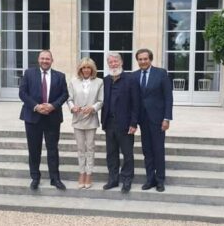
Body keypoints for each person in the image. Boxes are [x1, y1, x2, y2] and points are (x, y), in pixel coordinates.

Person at [19, 50, 68, 191]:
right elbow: (22, 93)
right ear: (38, 60)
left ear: (52, 60)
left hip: (52, 117)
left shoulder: (60, 76)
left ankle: (55, 179)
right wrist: (36, 106)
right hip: (33, 117)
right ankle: (35, 177)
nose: (45, 61)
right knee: (34, 150)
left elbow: (64, 94)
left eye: (48, 59)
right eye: (42, 58)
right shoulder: (29, 74)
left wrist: (53, 106)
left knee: (53, 150)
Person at [134, 48, 173, 192]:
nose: (143, 61)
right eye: (140, 59)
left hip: (158, 119)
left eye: (145, 59)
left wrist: (167, 118)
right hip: (142, 119)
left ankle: (160, 180)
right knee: (147, 151)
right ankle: (150, 179)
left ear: (150, 59)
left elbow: (168, 98)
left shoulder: (161, 73)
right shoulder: (134, 76)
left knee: (158, 150)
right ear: (137, 61)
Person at [101, 52, 139, 194]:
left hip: (125, 124)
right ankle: (113, 179)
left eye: (116, 61)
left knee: (127, 154)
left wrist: (134, 123)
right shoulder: (105, 80)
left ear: (121, 62)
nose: (113, 64)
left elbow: (136, 103)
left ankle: (127, 180)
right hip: (109, 123)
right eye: (110, 62)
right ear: (108, 64)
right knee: (111, 153)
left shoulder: (131, 80)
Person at [67, 58, 103, 189]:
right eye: (84, 68)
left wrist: (93, 108)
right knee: (80, 148)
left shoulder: (99, 82)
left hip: (91, 119)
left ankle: (89, 174)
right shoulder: (73, 82)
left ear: (92, 69)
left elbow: (101, 100)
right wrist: (72, 107)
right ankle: (81, 173)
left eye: (88, 68)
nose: (86, 70)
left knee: (90, 148)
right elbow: (69, 98)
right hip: (78, 119)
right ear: (80, 69)